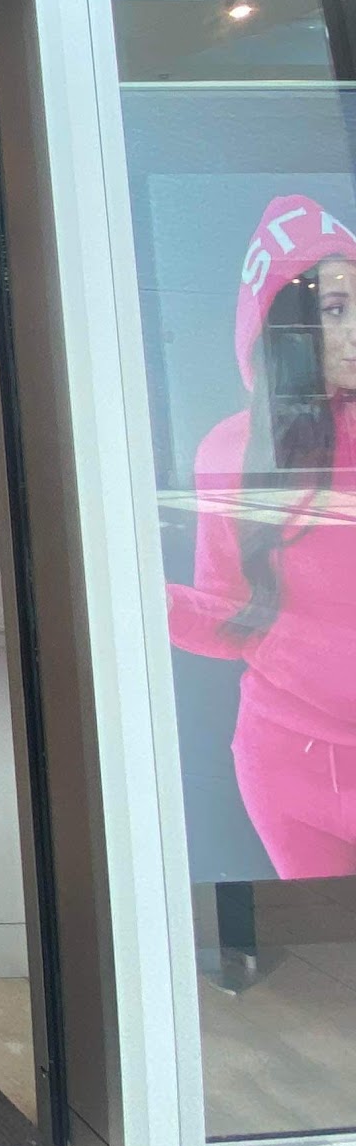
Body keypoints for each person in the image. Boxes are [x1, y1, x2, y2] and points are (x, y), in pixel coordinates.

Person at [168, 193, 356, 878]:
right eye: (333, 309)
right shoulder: (231, 449)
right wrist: (130, 598)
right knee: (322, 941)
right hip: (285, 766)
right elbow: (230, 620)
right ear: (285, 328)